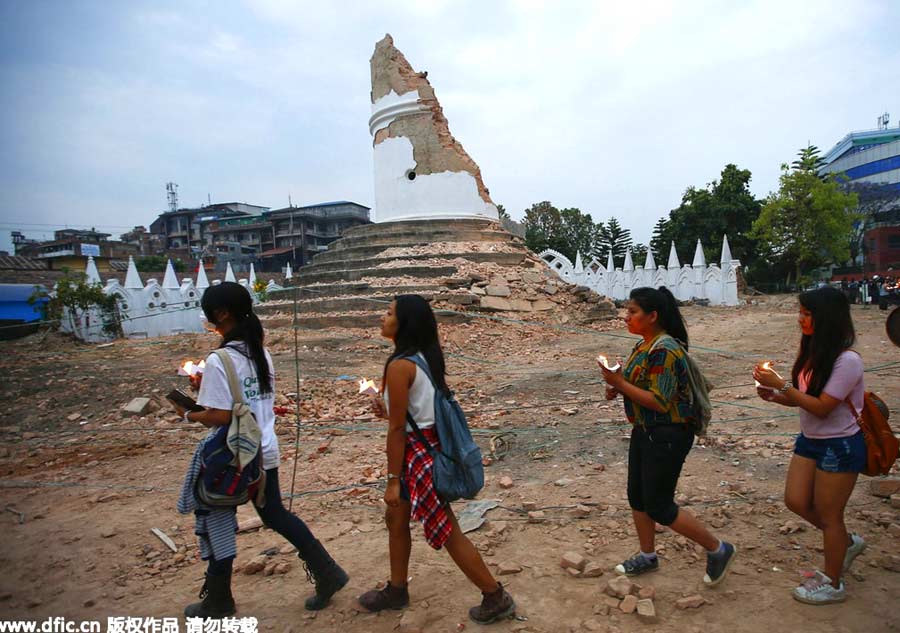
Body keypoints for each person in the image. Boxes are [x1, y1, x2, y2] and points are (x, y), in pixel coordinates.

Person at [174, 282, 348, 617]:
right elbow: (249, 401)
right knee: (274, 514)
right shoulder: (259, 352)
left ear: (221, 314)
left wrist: (188, 412)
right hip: (262, 449)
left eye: (208, 308)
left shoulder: (219, 359)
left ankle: (219, 599)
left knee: (216, 516)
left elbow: (221, 416)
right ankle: (327, 571)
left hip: (233, 456)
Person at [358, 295, 516, 624]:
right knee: (397, 519)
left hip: (416, 457)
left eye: (388, 313)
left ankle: (494, 594)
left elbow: (399, 429)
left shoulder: (399, 365)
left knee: (447, 530)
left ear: (404, 324)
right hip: (428, 449)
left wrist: (391, 480)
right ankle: (397, 589)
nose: (382, 318)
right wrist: (383, 405)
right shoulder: (422, 358)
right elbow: (413, 412)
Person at [599, 286, 737, 584]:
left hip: (667, 434)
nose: (626, 317)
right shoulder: (644, 346)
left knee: (659, 505)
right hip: (645, 431)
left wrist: (620, 384)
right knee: (637, 497)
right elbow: (640, 387)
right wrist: (617, 386)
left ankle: (718, 548)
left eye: (633, 312)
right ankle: (648, 556)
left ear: (653, 316)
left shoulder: (664, 349)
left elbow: (659, 401)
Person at [754, 286, 866, 605]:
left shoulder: (847, 361)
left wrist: (783, 385)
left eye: (806, 313)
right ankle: (846, 543)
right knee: (796, 500)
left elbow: (822, 407)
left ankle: (833, 582)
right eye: (800, 312)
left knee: (831, 516)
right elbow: (808, 400)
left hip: (839, 445)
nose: (800, 319)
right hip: (811, 440)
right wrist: (776, 396)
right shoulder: (814, 354)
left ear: (826, 318)